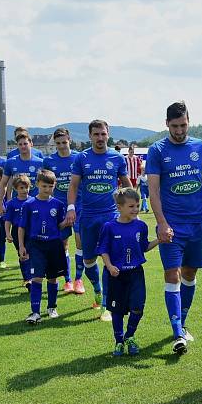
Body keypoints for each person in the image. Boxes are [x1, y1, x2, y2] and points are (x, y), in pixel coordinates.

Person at [146, 101, 202, 355]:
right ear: (166, 124)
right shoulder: (157, 151)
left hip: (198, 223)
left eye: (184, 125)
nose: (180, 130)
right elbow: (154, 191)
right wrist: (161, 223)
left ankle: (183, 320)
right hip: (172, 227)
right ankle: (177, 332)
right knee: (172, 274)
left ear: (189, 122)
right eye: (175, 126)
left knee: (190, 274)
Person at [64, 120, 132, 321]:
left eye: (103, 134)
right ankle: (97, 289)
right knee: (88, 260)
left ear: (108, 134)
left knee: (110, 260)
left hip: (111, 217)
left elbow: (126, 184)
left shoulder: (117, 158)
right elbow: (74, 186)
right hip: (88, 217)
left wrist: (132, 205)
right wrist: (71, 208)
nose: (100, 138)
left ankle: (106, 306)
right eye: (96, 134)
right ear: (90, 136)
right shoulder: (82, 158)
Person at [96, 188, 158, 356]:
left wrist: (159, 240)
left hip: (136, 274)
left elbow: (144, 247)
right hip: (116, 275)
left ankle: (129, 337)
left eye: (137, 205)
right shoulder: (109, 227)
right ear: (119, 207)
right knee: (117, 310)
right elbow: (103, 249)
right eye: (131, 206)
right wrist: (109, 266)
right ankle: (118, 341)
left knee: (138, 307)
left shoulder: (141, 226)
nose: (136, 209)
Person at [17, 169, 68, 324]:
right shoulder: (29, 204)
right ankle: (35, 312)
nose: (47, 189)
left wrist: (67, 221)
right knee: (36, 278)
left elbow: (59, 225)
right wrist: (21, 246)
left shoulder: (58, 205)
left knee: (52, 278)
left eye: (50, 186)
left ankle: (52, 307)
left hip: (54, 245)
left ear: (54, 186)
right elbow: (21, 227)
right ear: (37, 184)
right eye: (44, 186)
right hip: (36, 245)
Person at [43, 128, 82, 293]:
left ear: (70, 140)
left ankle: (79, 280)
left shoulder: (79, 157)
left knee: (81, 244)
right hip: (58, 209)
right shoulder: (49, 161)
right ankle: (67, 280)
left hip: (79, 206)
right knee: (63, 245)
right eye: (58, 143)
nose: (61, 146)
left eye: (64, 142)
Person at [0, 130, 44, 209]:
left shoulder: (41, 163)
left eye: (25, 144)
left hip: (37, 203)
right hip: (18, 204)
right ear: (17, 146)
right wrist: (0, 203)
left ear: (31, 144)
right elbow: (3, 184)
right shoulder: (11, 162)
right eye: (20, 144)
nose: (23, 146)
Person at [4, 175, 33, 290]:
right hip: (17, 231)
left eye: (26, 188)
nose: (24, 190)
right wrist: (7, 233)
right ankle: (26, 278)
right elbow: (8, 220)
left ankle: (30, 279)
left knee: (31, 255)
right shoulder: (11, 203)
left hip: (31, 231)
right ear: (16, 189)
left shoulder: (33, 201)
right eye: (21, 188)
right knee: (23, 255)